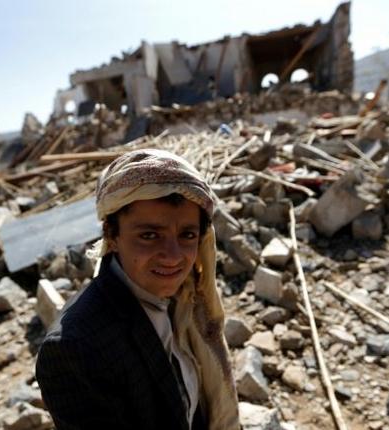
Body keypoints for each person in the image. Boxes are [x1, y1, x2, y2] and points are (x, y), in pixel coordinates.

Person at [35, 149, 240, 430]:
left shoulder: (189, 301)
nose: (172, 256)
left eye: (187, 235)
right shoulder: (74, 348)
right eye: (149, 236)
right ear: (111, 234)